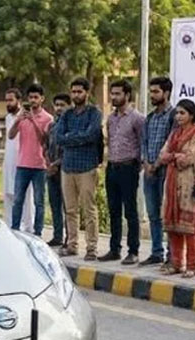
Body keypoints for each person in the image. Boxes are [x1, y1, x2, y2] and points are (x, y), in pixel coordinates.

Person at [158, 99, 195, 278]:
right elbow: (162, 155)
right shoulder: (174, 134)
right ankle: (176, 264)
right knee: (174, 227)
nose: (178, 116)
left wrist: (173, 157)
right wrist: (175, 156)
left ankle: (192, 266)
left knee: (190, 229)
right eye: (177, 113)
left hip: (189, 185)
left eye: (182, 113)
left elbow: (188, 159)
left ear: (191, 115)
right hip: (172, 183)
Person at [56, 77, 103, 260]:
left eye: (79, 92)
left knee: (89, 209)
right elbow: (59, 138)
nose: (76, 95)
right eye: (73, 92)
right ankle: (72, 245)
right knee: (70, 209)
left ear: (86, 93)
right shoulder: (66, 115)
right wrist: (77, 137)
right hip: (68, 167)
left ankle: (91, 248)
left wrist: (71, 137)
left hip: (87, 167)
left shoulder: (94, 113)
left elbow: (91, 135)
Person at [100, 79, 144, 265]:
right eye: (113, 93)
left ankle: (133, 251)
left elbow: (143, 142)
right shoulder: (111, 118)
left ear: (127, 95)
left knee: (130, 211)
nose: (114, 97)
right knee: (114, 210)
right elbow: (109, 140)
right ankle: (114, 249)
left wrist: (138, 164)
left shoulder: (137, 118)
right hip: (112, 167)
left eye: (118, 93)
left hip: (128, 167)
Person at [9, 84, 54, 235]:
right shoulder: (22, 115)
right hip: (22, 164)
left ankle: (38, 232)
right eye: (30, 97)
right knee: (18, 200)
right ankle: (15, 229)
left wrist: (33, 121)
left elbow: (44, 141)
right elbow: (10, 135)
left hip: (39, 166)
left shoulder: (48, 118)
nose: (33, 100)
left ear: (42, 99)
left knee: (39, 202)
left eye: (36, 97)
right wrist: (18, 120)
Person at [140, 77, 175, 266]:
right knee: (153, 213)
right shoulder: (150, 117)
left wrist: (156, 164)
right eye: (151, 91)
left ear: (166, 93)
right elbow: (144, 142)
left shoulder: (174, 116)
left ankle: (172, 255)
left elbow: (172, 142)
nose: (152, 95)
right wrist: (146, 163)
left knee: (166, 214)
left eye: (156, 92)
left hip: (165, 171)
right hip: (149, 171)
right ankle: (156, 252)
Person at [3, 88, 34, 233]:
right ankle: (10, 227)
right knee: (8, 193)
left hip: (23, 161)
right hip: (8, 160)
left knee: (26, 197)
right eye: (7, 100)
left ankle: (29, 228)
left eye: (11, 100)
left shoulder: (27, 116)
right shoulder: (9, 117)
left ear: (19, 101)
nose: (8, 103)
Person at [46, 93, 71, 247]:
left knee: (67, 206)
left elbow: (68, 149)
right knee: (54, 204)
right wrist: (49, 163)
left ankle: (70, 238)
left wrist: (56, 164)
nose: (59, 108)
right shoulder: (52, 125)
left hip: (65, 169)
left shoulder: (70, 125)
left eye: (62, 105)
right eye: (57, 105)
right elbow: (46, 146)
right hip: (51, 170)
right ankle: (57, 236)